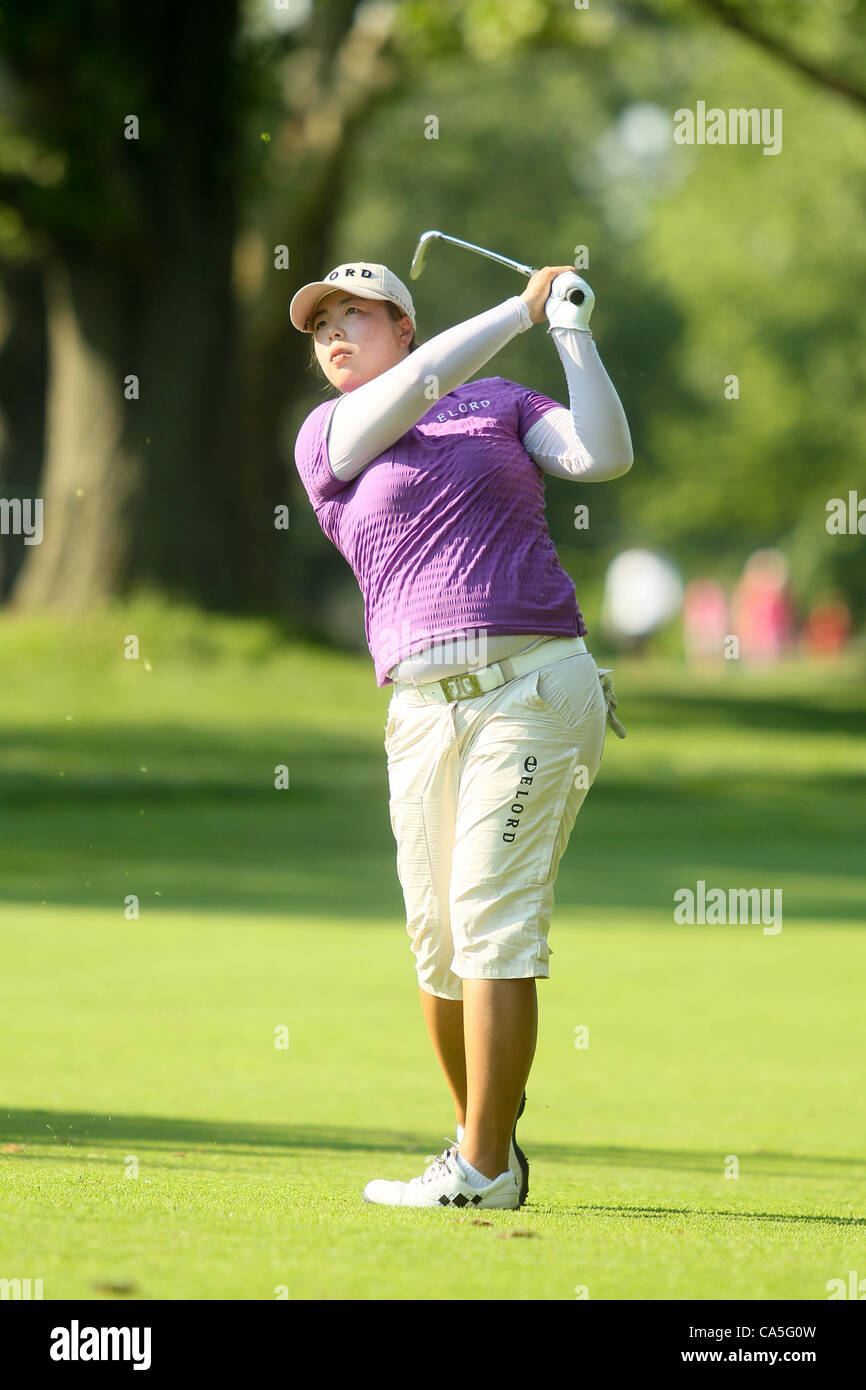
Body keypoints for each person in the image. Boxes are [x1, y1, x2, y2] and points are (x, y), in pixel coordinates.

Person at [289, 258, 633, 1210]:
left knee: (489, 916)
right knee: (438, 945)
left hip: (534, 687)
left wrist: (565, 327)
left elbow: (602, 455)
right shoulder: (329, 439)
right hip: (419, 709)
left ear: (404, 323)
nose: (335, 334)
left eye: (356, 314)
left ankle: (481, 1171)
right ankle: (486, 1147)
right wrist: (513, 308)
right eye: (323, 325)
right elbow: (424, 382)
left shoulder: (497, 404)